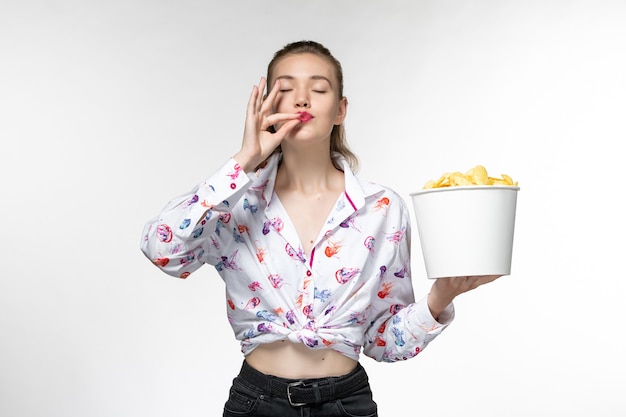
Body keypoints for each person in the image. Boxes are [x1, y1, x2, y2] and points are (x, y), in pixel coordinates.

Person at [140, 40, 501, 417]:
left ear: (340, 109)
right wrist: (244, 160)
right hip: (257, 403)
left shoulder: (381, 209)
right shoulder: (235, 202)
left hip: (347, 403)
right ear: (266, 105)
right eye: (286, 89)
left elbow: (382, 342)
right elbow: (162, 251)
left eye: (318, 89)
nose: (301, 100)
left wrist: (440, 296)